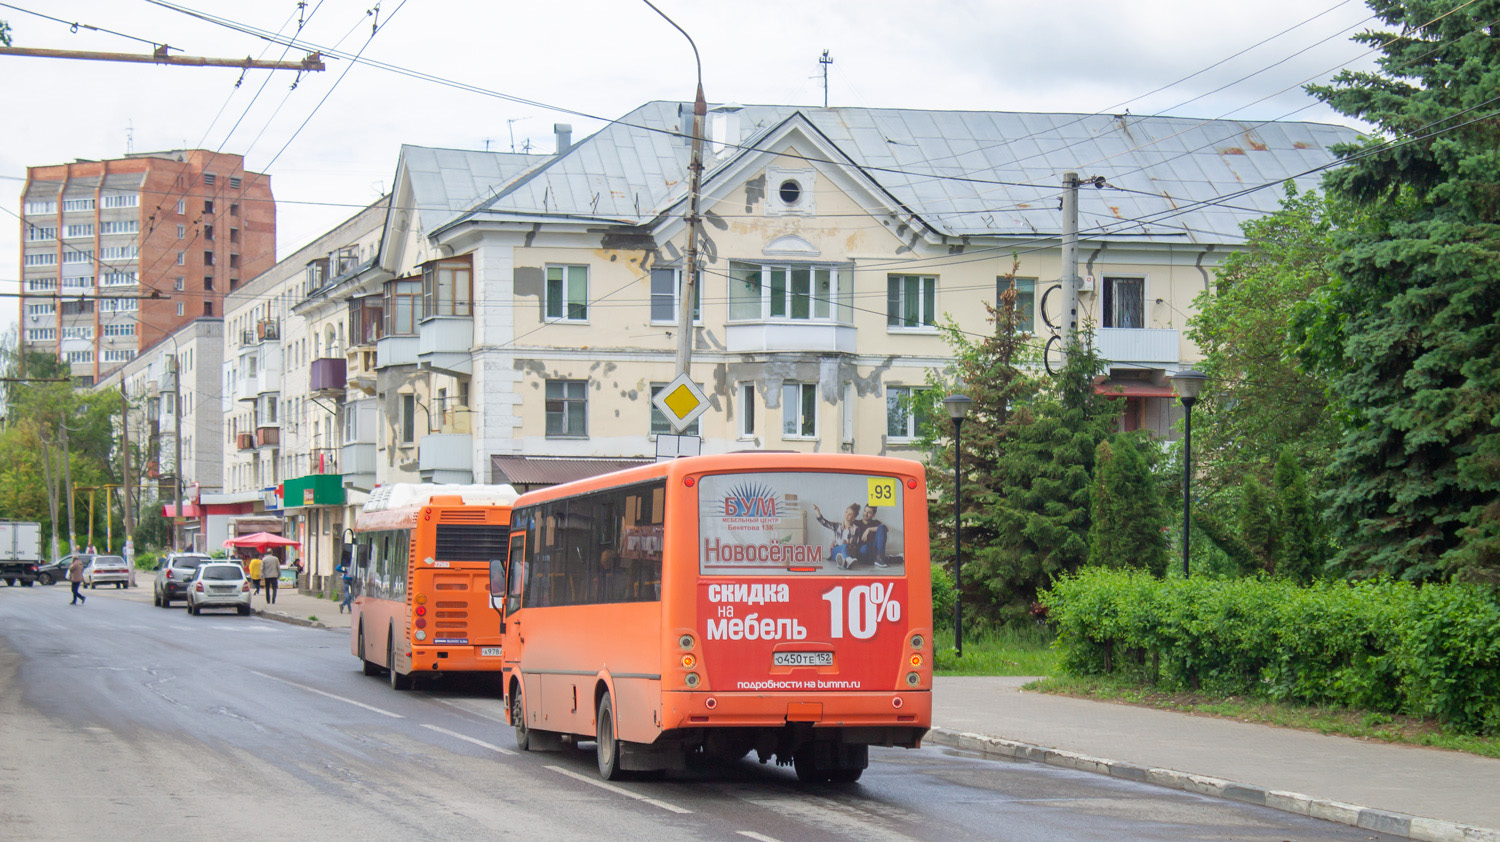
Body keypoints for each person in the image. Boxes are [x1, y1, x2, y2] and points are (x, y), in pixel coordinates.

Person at [812, 503, 862, 569]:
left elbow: (856, 545)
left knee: (845, 547)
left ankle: (843, 561)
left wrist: (848, 544)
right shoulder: (837, 526)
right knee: (844, 546)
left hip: (848, 551)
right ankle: (848, 560)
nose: (847, 515)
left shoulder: (856, 529)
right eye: (846, 512)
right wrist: (818, 511)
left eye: (850, 514)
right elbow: (824, 522)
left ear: (854, 517)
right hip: (836, 550)